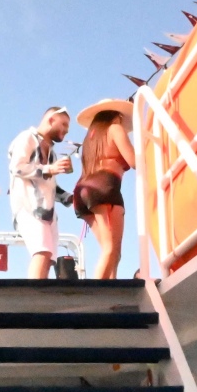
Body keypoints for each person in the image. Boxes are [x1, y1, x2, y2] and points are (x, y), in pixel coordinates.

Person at [7, 107, 73, 279]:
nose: (66, 130)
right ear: (51, 120)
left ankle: (39, 293)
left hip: (47, 213)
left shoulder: (52, 153)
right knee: (42, 253)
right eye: (64, 124)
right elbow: (17, 167)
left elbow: (49, 185)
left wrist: (70, 198)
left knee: (47, 259)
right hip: (28, 206)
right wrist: (49, 169)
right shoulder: (26, 138)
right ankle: (33, 295)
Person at [73, 99, 136, 280]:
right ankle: (95, 292)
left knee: (112, 252)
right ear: (117, 116)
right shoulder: (115, 129)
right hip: (104, 188)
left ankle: (111, 289)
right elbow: (134, 161)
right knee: (111, 250)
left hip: (83, 191)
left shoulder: (90, 140)